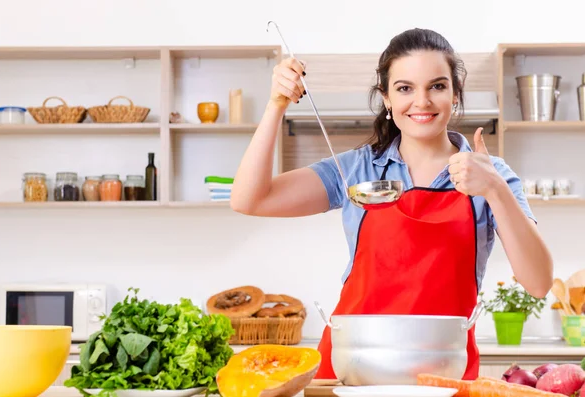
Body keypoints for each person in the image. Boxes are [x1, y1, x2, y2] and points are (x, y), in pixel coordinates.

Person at [230, 28, 553, 380]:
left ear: (455, 94)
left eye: (437, 86)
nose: (422, 101)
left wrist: (494, 189)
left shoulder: (490, 173)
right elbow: (249, 199)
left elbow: (538, 282)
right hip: (352, 370)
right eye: (405, 88)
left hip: (444, 372)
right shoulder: (356, 169)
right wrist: (276, 104)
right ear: (386, 98)